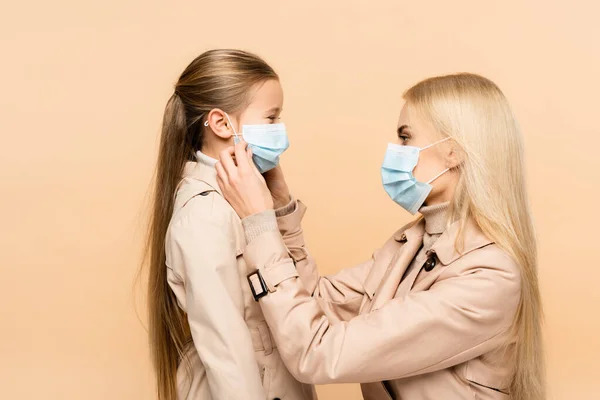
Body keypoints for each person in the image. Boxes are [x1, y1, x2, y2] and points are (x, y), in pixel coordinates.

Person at [216, 73, 545, 400]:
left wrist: (258, 225)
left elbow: (318, 353)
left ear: (453, 153)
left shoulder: (489, 276)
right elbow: (316, 301)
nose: (396, 150)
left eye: (406, 137)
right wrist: (281, 211)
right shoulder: (413, 242)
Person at [145, 49, 317, 400]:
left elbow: (303, 300)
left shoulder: (246, 197)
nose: (280, 131)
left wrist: (281, 211)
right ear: (223, 124)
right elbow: (226, 350)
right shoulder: (205, 215)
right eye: (271, 118)